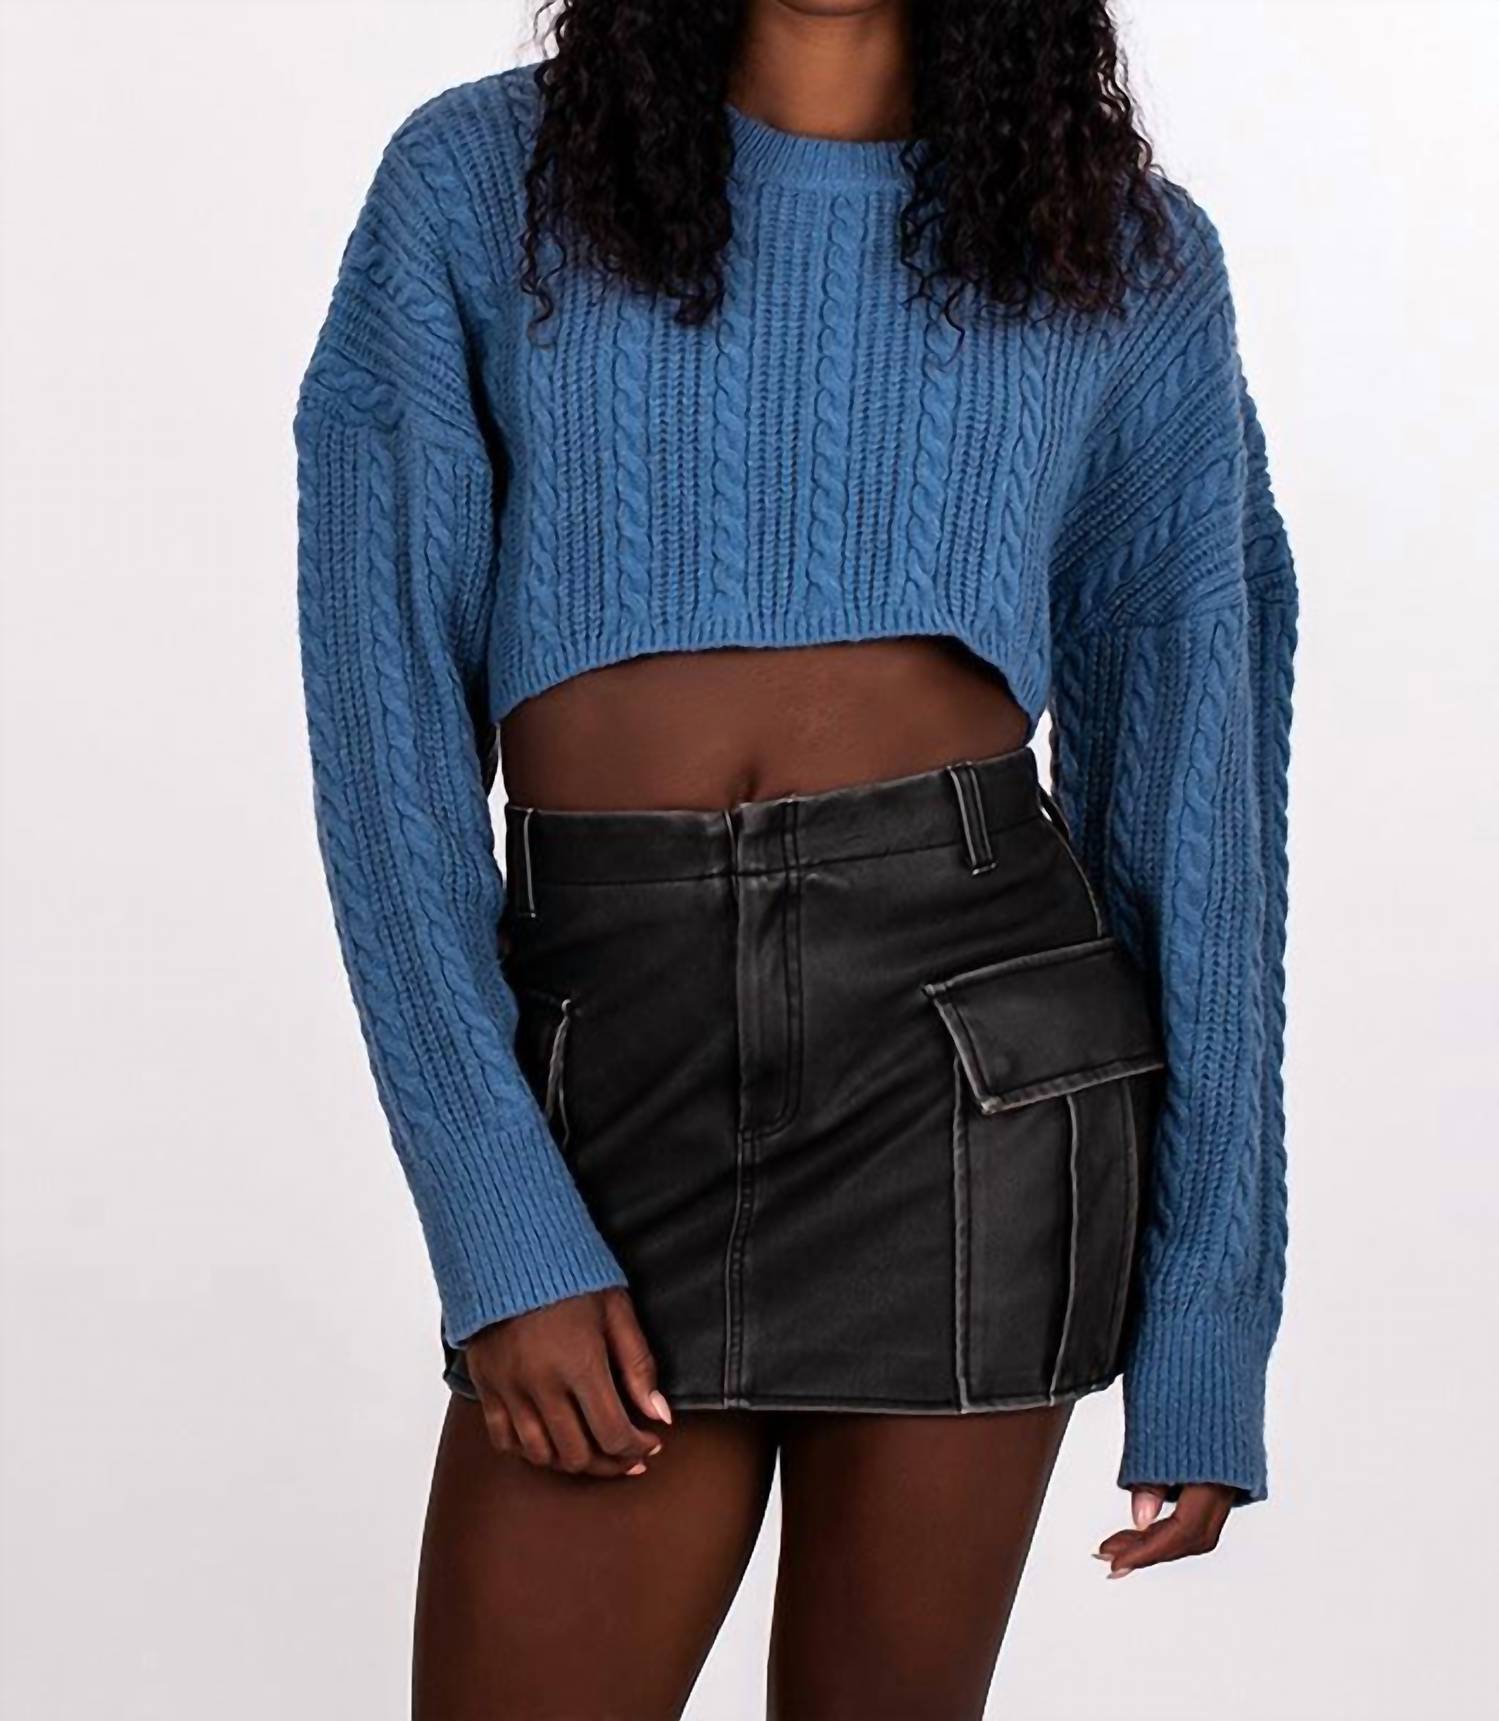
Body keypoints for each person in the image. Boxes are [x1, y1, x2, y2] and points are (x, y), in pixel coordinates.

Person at [293, 2, 1297, 1714]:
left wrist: (1210, 1315)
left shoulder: (1117, 248)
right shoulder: (478, 182)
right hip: (615, 1066)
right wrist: (494, 1215)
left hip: (977, 1079)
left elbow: (1197, 807)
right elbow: (383, 731)